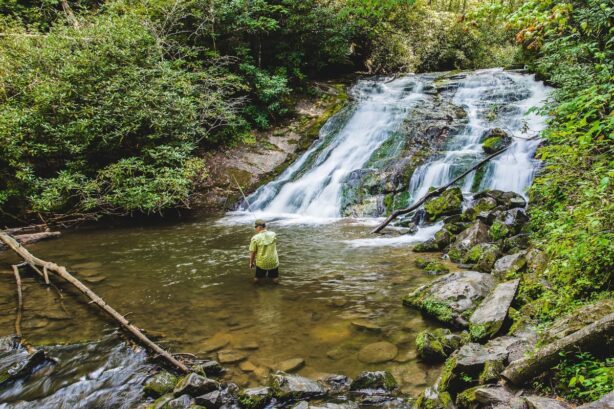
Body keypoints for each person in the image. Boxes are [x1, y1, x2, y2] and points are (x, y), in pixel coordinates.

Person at [249, 219, 279, 284]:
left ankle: (255, 289)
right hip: (273, 261)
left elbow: (253, 252)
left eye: (255, 227)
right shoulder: (273, 234)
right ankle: (276, 289)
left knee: (257, 278)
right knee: (275, 278)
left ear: (259, 227)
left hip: (262, 262)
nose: (255, 229)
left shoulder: (255, 238)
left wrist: (251, 263)